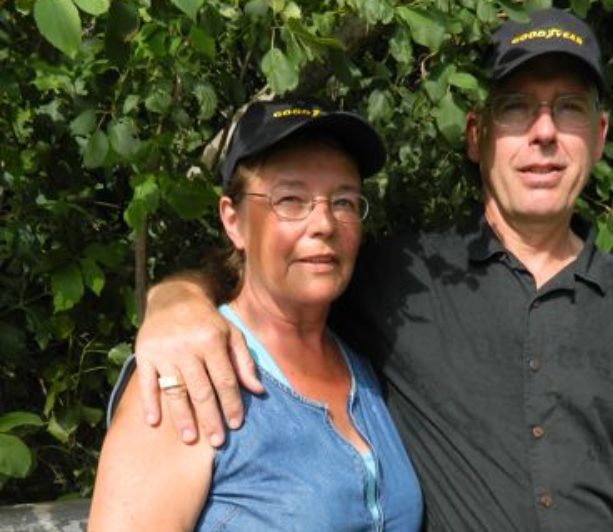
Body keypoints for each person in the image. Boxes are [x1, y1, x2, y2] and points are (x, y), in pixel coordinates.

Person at [128, 9, 613, 532]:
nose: (545, 133)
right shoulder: (403, 278)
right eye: (517, 108)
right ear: (476, 135)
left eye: (570, 108)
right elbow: (278, 279)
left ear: (599, 136)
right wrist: (175, 302)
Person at [88, 101, 423, 531]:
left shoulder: (365, 362)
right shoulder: (187, 376)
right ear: (233, 220)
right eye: (290, 199)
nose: (323, 222)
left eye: (343, 201)